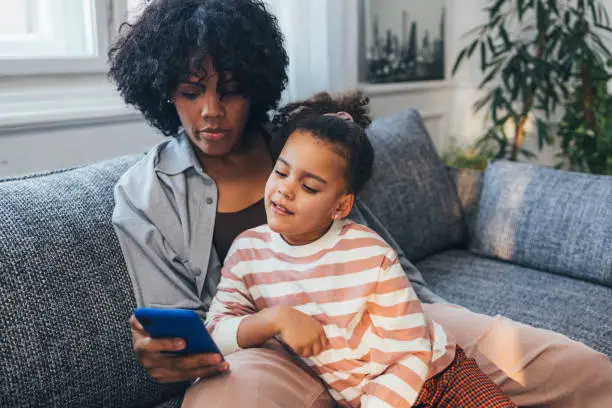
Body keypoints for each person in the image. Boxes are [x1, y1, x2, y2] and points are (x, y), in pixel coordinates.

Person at [107, 1, 612, 407]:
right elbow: (190, 330)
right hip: (268, 352)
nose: (211, 112)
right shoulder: (145, 193)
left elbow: (376, 255)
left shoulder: (306, 144)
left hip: (387, 324)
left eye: (231, 91)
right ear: (163, 89)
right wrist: (167, 354)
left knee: (577, 369)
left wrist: (424, 322)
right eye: (191, 92)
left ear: (255, 87)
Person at [205, 107, 518, 407]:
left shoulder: (371, 254)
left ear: (341, 206)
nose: (285, 190)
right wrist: (274, 318)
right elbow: (215, 332)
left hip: (438, 379)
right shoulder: (247, 251)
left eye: (310, 187)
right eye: (281, 171)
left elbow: (410, 353)